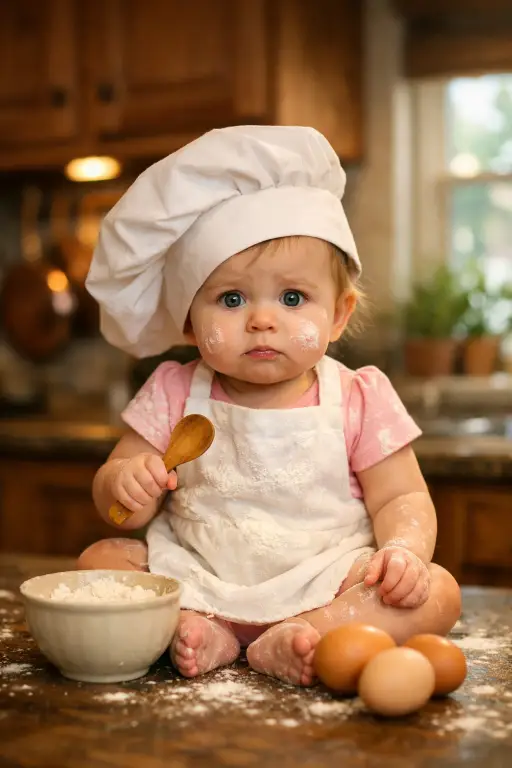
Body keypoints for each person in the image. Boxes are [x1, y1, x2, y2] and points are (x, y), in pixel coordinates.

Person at [82, 125, 461, 687]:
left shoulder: (358, 396)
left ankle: (312, 629)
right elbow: (121, 511)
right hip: (198, 571)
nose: (262, 319)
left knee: (438, 591)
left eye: (292, 298)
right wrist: (124, 484)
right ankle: (201, 626)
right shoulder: (172, 391)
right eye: (230, 299)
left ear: (338, 314)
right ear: (189, 321)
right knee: (99, 561)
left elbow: (402, 496)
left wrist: (403, 551)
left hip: (325, 577)